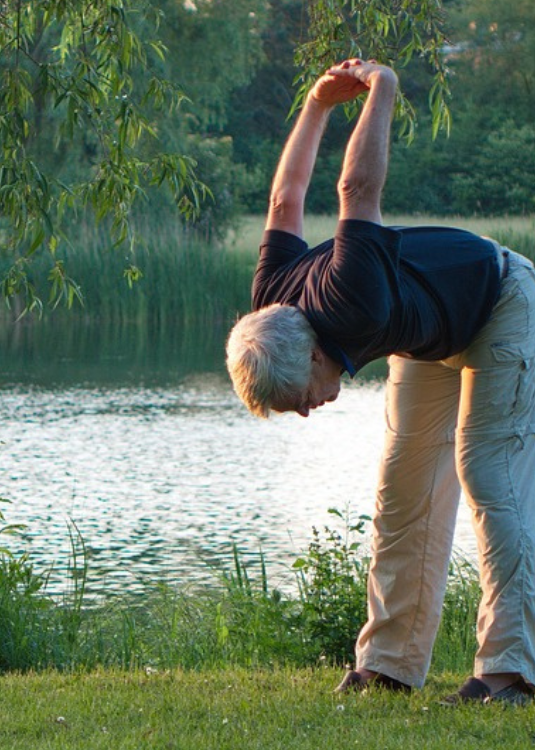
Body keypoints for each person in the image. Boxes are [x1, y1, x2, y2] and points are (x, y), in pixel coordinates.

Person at [226, 58, 535, 705]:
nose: (308, 413)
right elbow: (285, 200)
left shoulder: (351, 297)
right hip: (434, 334)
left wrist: (381, 90)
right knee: (403, 487)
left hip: (503, 302)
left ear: (310, 357)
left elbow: (356, 190)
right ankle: (389, 665)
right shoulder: (271, 302)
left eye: (298, 402)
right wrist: (315, 104)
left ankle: (512, 673)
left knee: (488, 473)